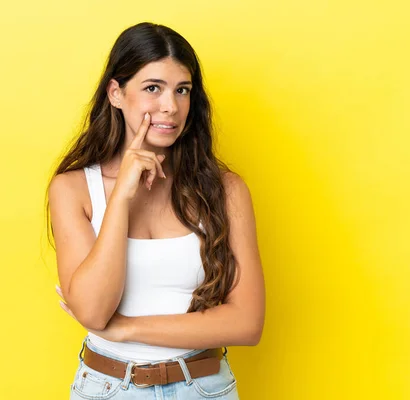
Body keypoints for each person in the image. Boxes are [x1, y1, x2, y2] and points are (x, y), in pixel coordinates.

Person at [46, 21, 265, 399]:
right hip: (109, 388)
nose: (171, 106)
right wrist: (121, 198)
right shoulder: (73, 189)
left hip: (205, 388)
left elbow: (247, 323)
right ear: (116, 93)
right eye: (153, 88)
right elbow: (94, 313)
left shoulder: (226, 190)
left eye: (183, 91)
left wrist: (128, 329)